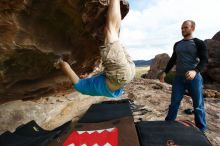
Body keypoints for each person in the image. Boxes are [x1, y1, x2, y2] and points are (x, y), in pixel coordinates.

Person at [55, 0, 135, 98]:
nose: (83, 75)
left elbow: (96, 78)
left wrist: (89, 75)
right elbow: (65, 67)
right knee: (111, 30)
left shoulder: (93, 86)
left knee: (111, 33)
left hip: (127, 74)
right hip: (119, 75)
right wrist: (58, 62)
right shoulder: (80, 87)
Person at [159, 20, 208, 132]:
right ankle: (168, 125)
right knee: (174, 103)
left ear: (192, 28)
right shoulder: (177, 44)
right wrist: (165, 72)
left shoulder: (198, 43)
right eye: (182, 28)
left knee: (198, 105)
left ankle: (202, 129)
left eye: (185, 27)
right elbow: (173, 59)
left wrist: (195, 71)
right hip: (179, 79)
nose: (183, 30)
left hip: (194, 78)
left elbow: (204, 60)